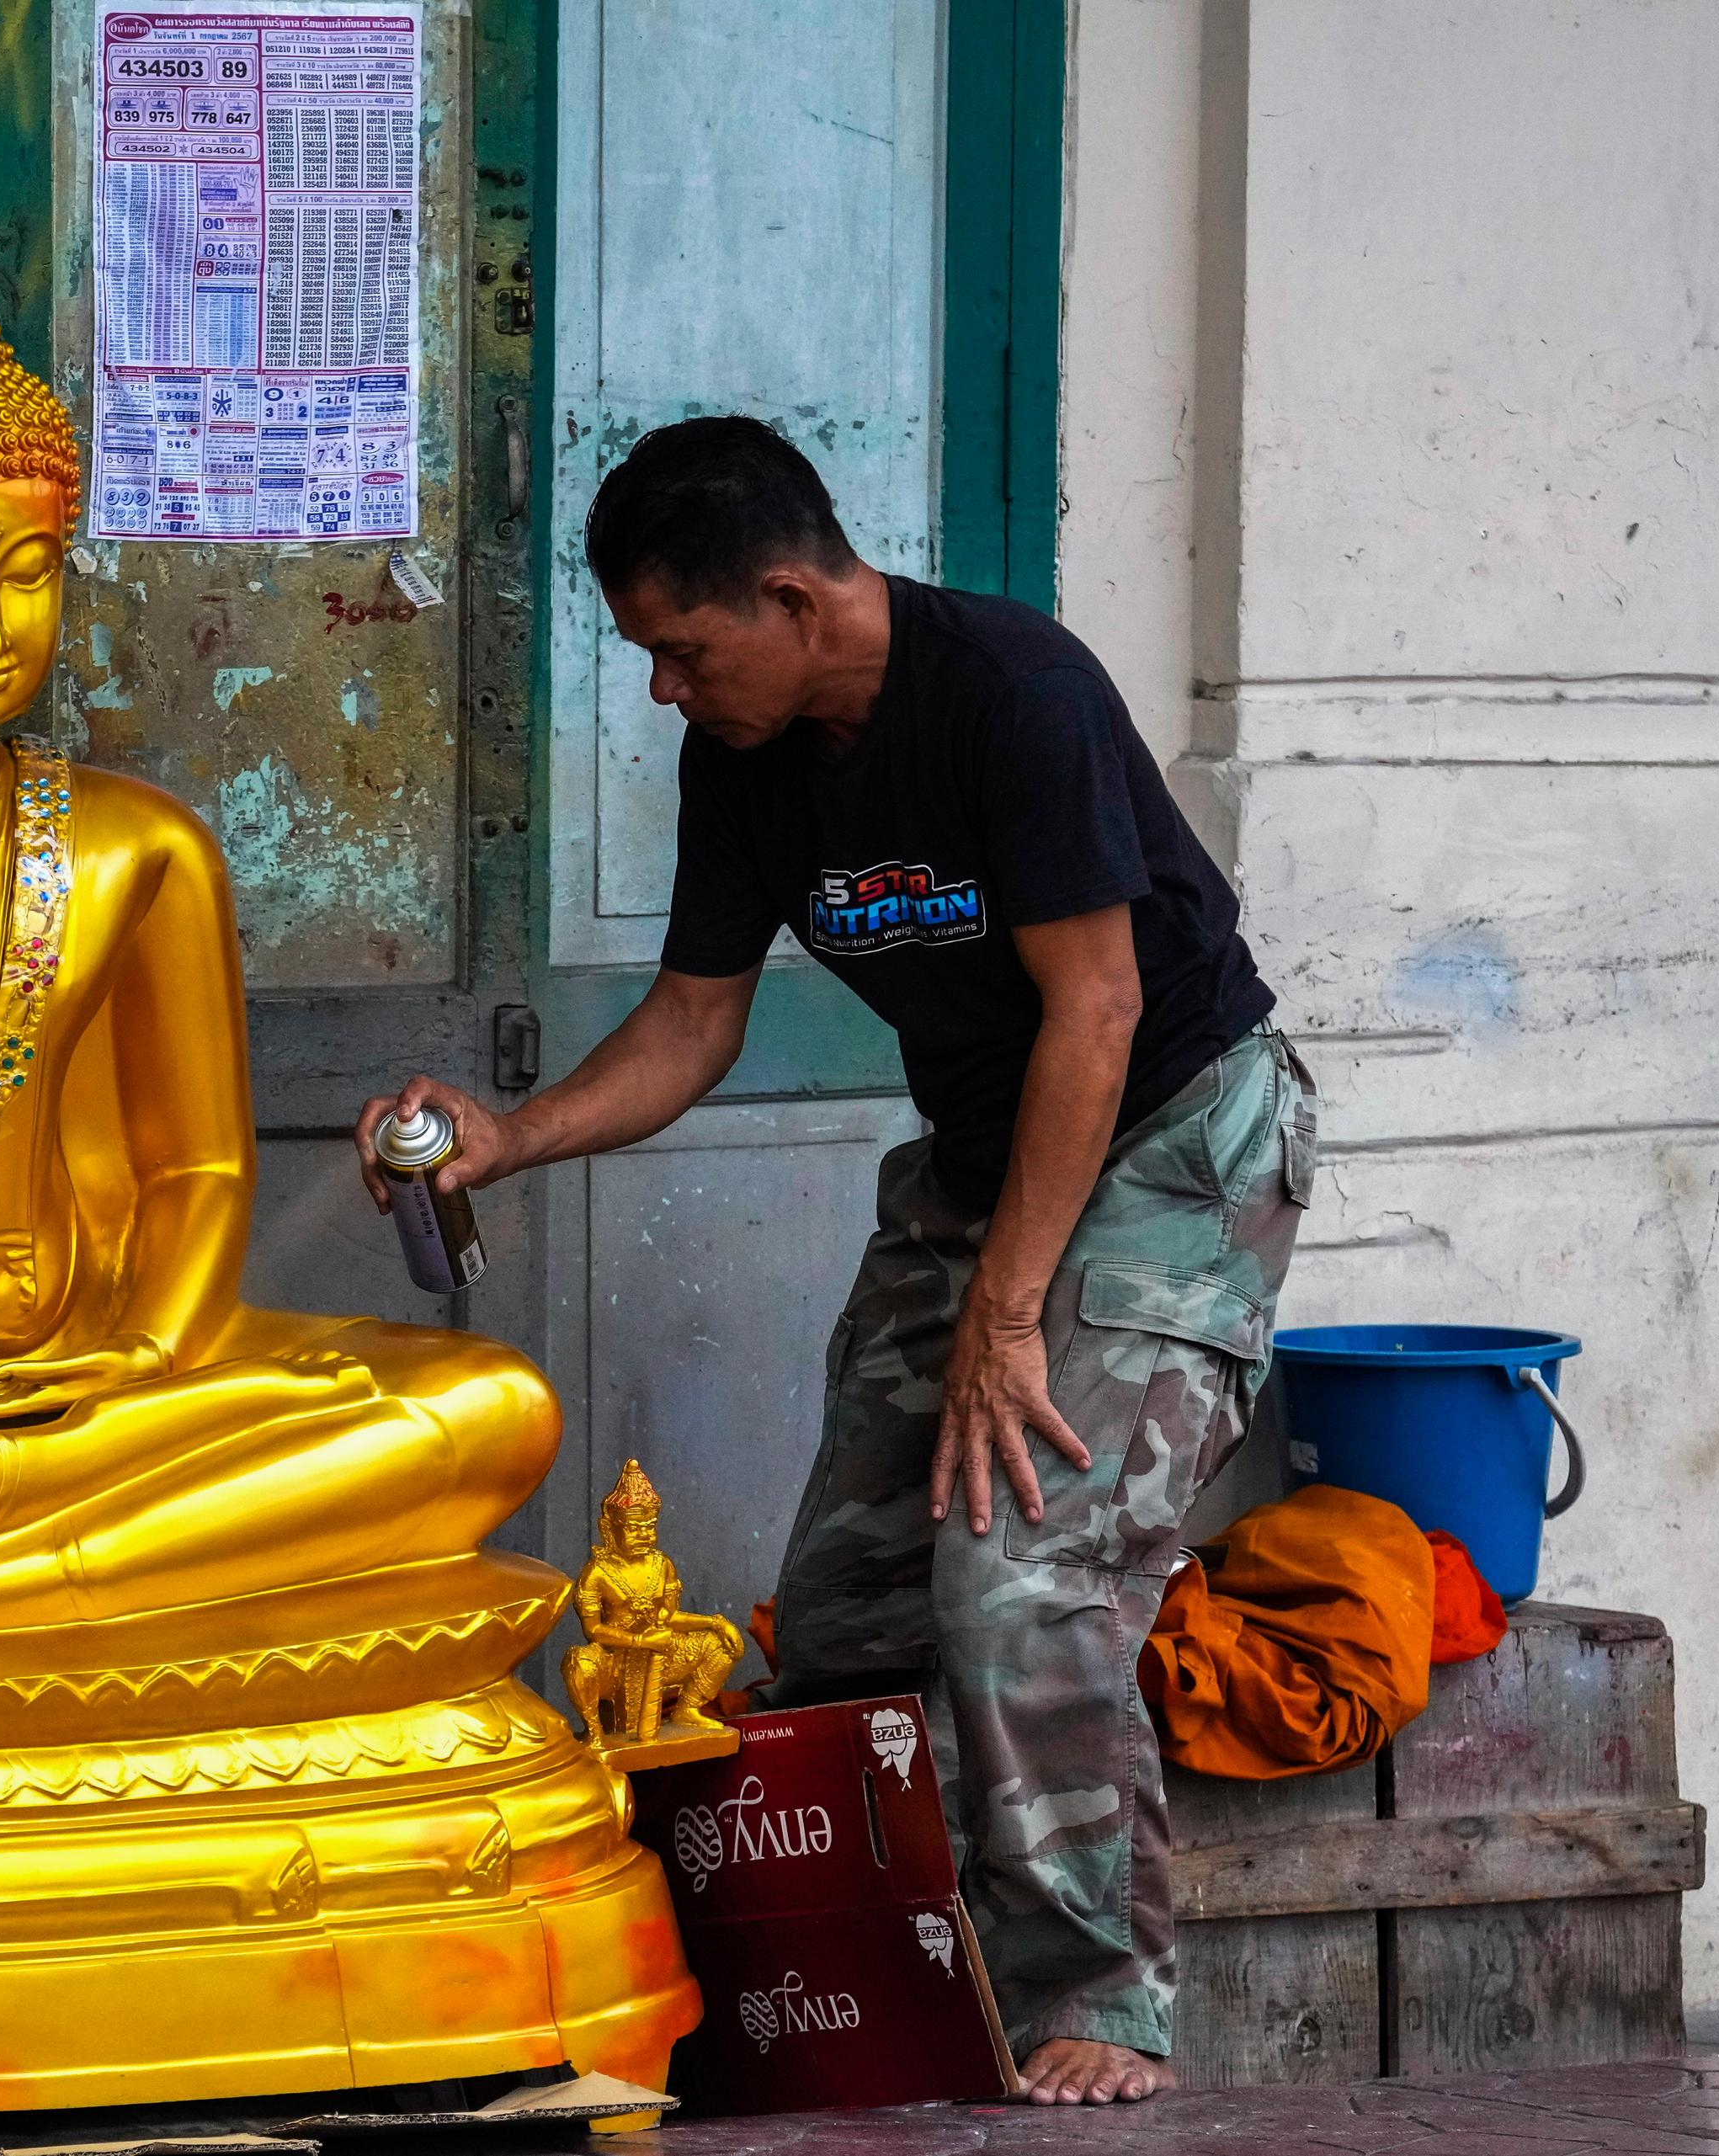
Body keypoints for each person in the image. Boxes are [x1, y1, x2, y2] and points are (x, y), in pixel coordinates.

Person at [355, 416, 1316, 2105]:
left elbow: (1096, 1017)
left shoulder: (1010, 691)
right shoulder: (745, 758)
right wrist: (513, 1135)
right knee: (858, 1595)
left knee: (1024, 1563)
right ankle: (876, 1969)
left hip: (1170, 1138)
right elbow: (692, 1023)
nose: (663, 688)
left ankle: (1097, 1992)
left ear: (796, 600)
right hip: (985, 1157)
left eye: (680, 648)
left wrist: (1008, 1318)